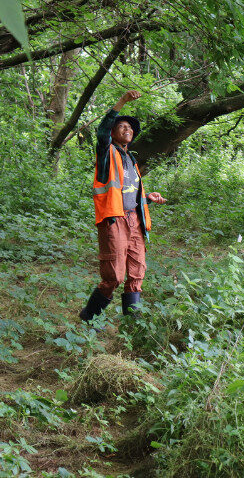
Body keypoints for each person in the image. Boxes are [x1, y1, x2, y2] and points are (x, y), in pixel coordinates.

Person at [79, 90, 166, 322]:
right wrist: (122, 101)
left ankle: (132, 326)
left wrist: (148, 199)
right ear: (113, 133)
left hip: (135, 221)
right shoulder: (106, 152)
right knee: (114, 276)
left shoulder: (131, 159)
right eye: (122, 126)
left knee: (137, 273)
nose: (127, 129)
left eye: (130, 128)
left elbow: (128, 193)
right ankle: (89, 317)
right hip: (115, 220)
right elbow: (101, 131)